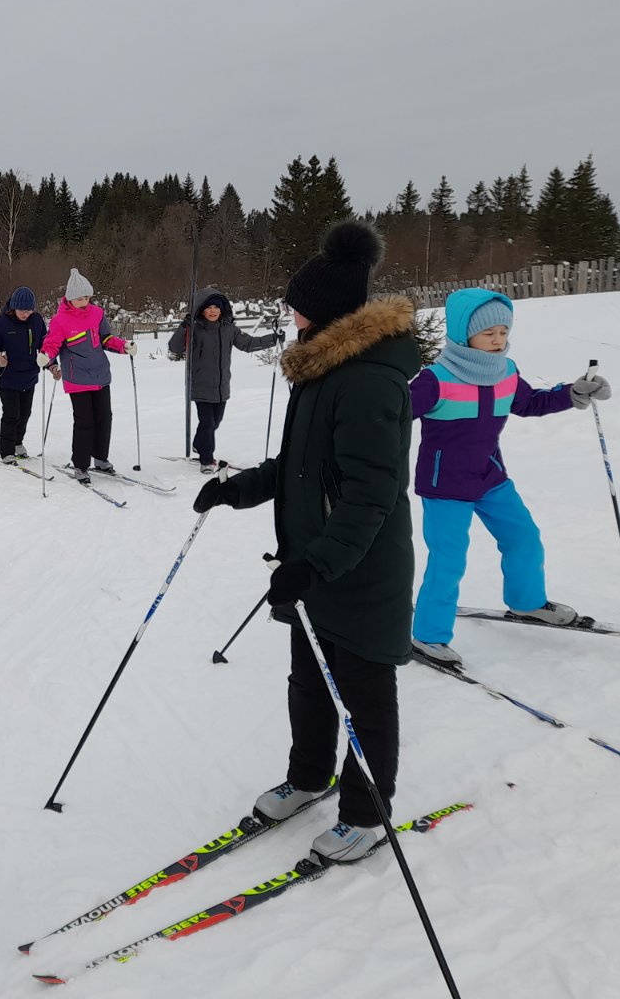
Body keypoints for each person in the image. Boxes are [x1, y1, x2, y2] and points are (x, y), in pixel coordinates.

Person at [192, 221, 419, 864]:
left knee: (363, 697)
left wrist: (315, 565)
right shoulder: (320, 370)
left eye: (296, 306)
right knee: (311, 683)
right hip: (314, 568)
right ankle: (309, 777)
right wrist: (235, 489)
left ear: (324, 313)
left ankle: (365, 817)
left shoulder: (368, 381)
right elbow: (298, 466)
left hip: (359, 570)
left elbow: (369, 496)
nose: (289, 314)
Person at [406, 288, 610, 667]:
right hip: (444, 485)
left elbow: (530, 403)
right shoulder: (435, 379)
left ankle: (527, 602)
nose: (498, 340)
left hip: (490, 476)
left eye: (503, 331)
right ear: (463, 334)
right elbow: (392, 415)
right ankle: (428, 637)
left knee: (524, 538)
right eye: (488, 333)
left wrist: (572, 393)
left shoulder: (507, 372)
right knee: (449, 560)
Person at [37, 269, 135, 483]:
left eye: (87, 297)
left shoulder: (97, 313)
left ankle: (100, 458)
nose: (84, 302)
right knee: (84, 422)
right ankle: (81, 465)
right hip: (77, 378)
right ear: (70, 298)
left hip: (100, 374)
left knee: (104, 418)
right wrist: (46, 356)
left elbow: (106, 338)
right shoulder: (60, 321)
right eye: (80, 298)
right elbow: (52, 344)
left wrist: (123, 346)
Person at [169, 289, 283, 473]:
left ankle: (199, 444)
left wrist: (273, 339)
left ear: (222, 310)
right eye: (208, 307)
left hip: (222, 386)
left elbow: (248, 344)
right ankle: (206, 460)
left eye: (216, 307)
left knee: (215, 422)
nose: (213, 311)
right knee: (207, 424)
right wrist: (184, 328)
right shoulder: (195, 329)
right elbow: (174, 347)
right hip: (201, 385)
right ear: (201, 310)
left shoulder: (229, 329)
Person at [0, 286, 52, 464]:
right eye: (22, 310)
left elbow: (45, 345)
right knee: (11, 415)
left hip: (29, 376)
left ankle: (17, 443)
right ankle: (7, 451)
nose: (26, 314)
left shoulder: (36, 321)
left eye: (29, 310)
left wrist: (51, 364)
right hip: (7, 377)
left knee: (25, 414)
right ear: (14, 307)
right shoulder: (1, 323)